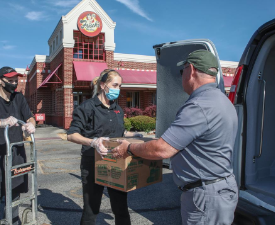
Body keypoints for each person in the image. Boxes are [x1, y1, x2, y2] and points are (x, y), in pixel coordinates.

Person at [111, 50, 238, 225]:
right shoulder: (222, 100)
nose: (181, 76)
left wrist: (129, 147)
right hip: (218, 189)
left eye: (182, 71)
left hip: (206, 196)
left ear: (191, 70)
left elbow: (162, 149)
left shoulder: (199, 106)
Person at [67, 69, 131, 225]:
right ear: (103, 85)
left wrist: (135, 136)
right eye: (115, 85)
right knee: (91, 210)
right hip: (93, 164)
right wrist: (93, 142)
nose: (118, 89)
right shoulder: (87, 107)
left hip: (116, 163)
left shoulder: (117, 109)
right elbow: (71, 134)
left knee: (121, 208)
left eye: (120, 86)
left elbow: (119, 133)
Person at [0, 66, 36, 224]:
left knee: (14, 190)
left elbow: (29, 116)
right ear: (1, 81)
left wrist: (30, 125)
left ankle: (13, 220)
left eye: (16, 79)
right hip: (1, 150)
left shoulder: (19, 97)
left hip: (15, 151)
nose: (14, 82)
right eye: (10, 80)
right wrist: (3, 122)